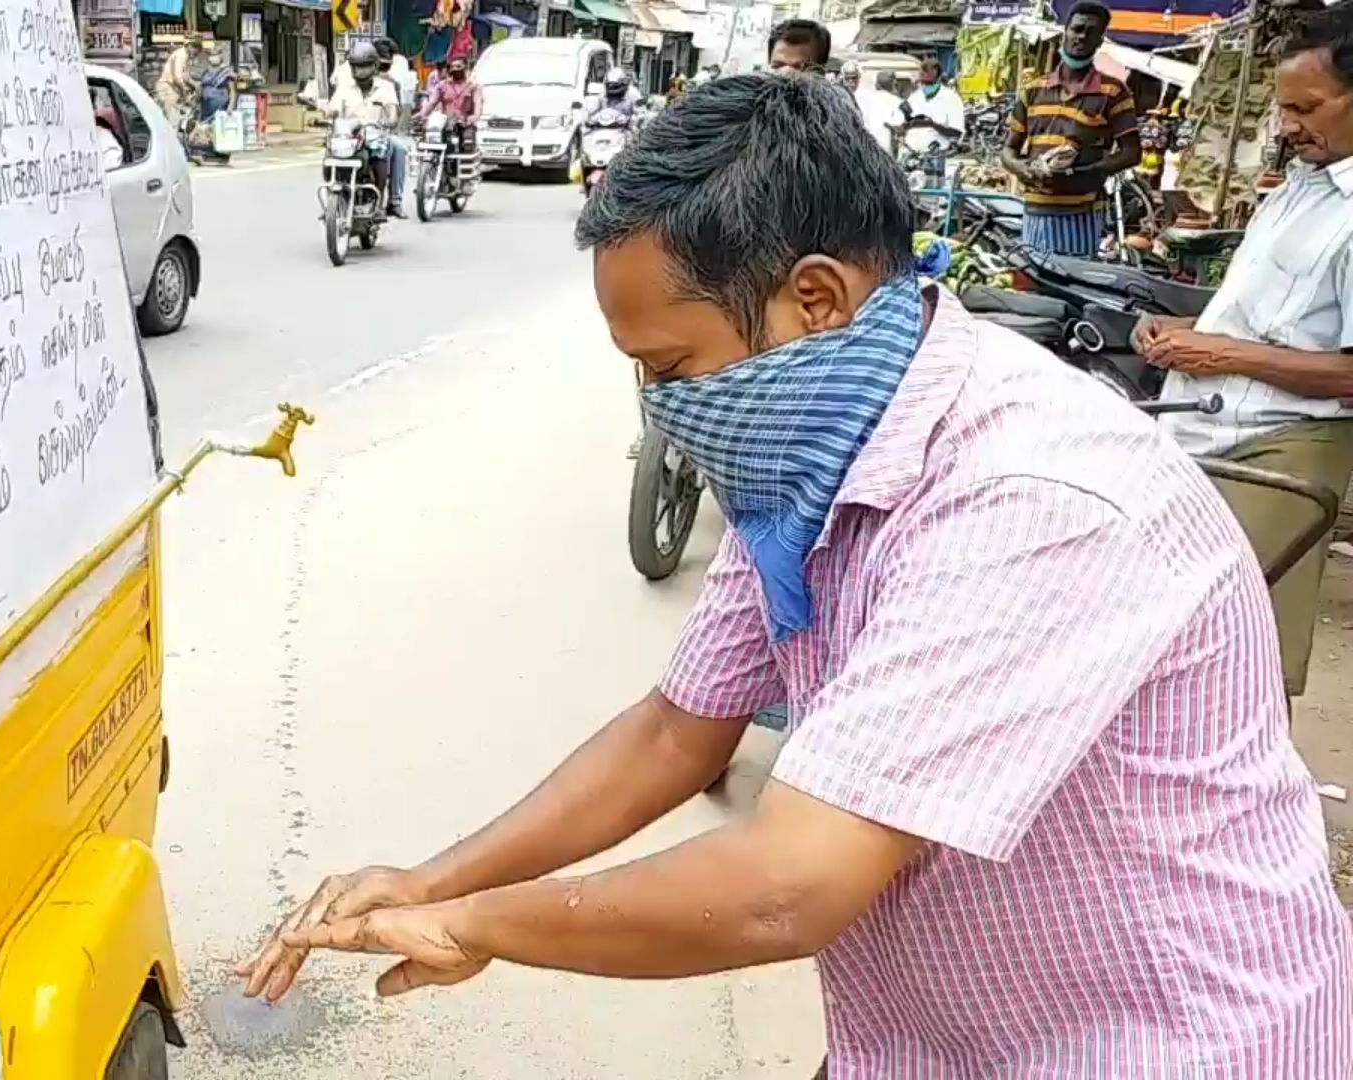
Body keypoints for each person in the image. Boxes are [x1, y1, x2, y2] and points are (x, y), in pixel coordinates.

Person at [238, 73, 1353, 1078]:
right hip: (940, 1037)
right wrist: (436, 879)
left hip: (1158, 1042)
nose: (663, 409)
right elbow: (681, 728)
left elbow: (788, 887)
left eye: (670, 369)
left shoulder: (1032, 494)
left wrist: (484, 926)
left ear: (814, 300)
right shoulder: (815, 461)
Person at [1141, 1, 1353, 704]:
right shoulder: (1300, 188)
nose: (1289, 126)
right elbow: (1257, 311)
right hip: (1210, 427)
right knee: (1178, 641)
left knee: (1243, 659)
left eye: (1308, 108)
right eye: (1284, 107)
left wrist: (1225, 355)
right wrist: (1179, 333)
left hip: (1287, 446)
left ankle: (1254, 809)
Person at [1001, 2, 1141, 256]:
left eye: (1091, 32)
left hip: (1081, 212)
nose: (1081, 37)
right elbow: (1008, 150)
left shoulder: (1113, 92)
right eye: (1077, 29)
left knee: (1074, 286)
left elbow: (1132, 153)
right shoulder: (1033, 89)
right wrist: (1022, 168)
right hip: (1035, 209)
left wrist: (1090, 172)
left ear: (1100, 41)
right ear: (1064, 31)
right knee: (1032, 283)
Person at [324, 41, 408, 217]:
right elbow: (333, 108)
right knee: (329, 153)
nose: (360, 72)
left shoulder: (386, 87)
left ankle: (385, 201)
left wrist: (391, 118)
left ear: (375, 66)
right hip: (349, 137)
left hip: (376, 135)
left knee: (392, 148)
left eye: (365, 67)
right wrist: (325, 113)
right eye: (356, 67)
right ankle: (332, 197)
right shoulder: (345, 88)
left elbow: (392, 108)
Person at [896, 55, 964, 162]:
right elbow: (904, 123)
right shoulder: (914, 97)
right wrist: (903, 127)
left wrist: (931, 124)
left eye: (926, 70)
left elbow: (956, 132)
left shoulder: (951, 98)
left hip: (937, 157)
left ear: (937, 75)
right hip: (910, 156)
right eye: (921, 70)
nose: (922, 73)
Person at [417, 55, 481, 156]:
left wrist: (468, 120)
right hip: (446, 124)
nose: (455, 69)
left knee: (468, 143)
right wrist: (421, 116)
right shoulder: (442, 85)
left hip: (465, 124)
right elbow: (432, 103)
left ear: (466, 67)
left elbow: (477, 111)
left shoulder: (473, 86)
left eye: (458, 66)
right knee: (428, 140)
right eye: (452, 67)